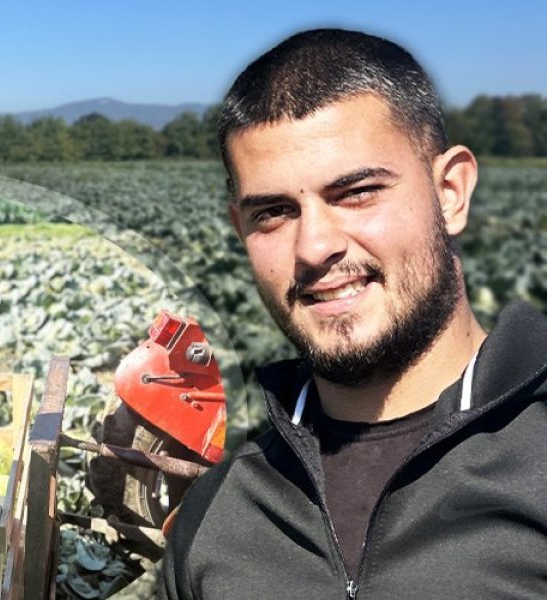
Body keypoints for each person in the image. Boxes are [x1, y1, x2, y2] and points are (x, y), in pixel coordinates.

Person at [160, 28, 547, 598]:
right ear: (240, 228)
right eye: (273, 212)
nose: (315, 246)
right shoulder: (219, 513)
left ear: (451, 193)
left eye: (358, 192)